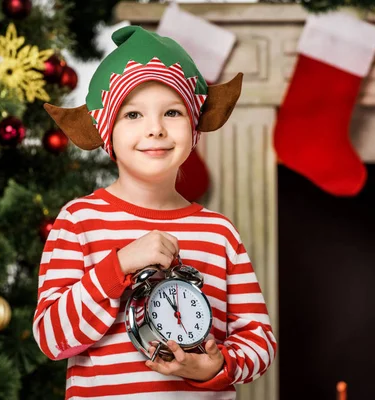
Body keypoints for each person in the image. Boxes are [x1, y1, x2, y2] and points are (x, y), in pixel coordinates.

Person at [33, 25, 276, 400]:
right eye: (132, 115)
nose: (155, 130)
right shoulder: (78, 222)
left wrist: (215, 366)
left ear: (195, 126)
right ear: (106, 131)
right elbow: (52, 339)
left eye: (172, 112)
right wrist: (119, 266)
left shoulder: (218, 232)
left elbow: (259, 340)